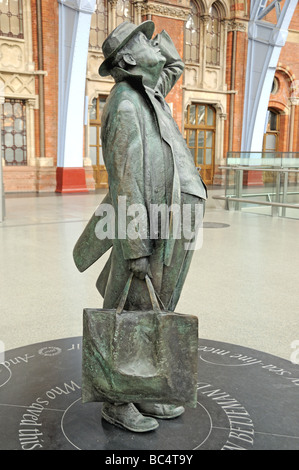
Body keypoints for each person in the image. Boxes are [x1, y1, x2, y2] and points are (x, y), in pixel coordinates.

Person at [74, 20, 207, 433]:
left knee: (157, 310)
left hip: (175, 222)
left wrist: (156, 47)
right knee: (131, 312)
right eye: (143, 41)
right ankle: (117, 400)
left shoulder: (148, 92)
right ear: (129, 60)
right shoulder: (126, 105)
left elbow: (173, 65)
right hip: (148, 229)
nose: (153, 41)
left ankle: (145, 389)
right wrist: (134, 247)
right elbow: (125, 180)